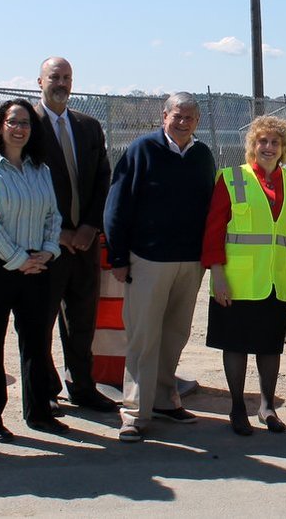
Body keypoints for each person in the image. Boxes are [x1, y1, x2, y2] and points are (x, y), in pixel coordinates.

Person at [105, 92, 216, 443]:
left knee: (175, 335)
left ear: (197, 122)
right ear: (163, 115)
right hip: (148, 260)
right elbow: (117, 205)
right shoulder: (141, 150)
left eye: (190, 118)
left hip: (190, 261)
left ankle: (166, 399)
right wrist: (119, 257)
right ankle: (136, 412)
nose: (183, 123)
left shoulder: (202, 155)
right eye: (177, 116)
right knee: (143, 338)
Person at [0, 98, 65, 441]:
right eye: (13, 122)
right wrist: (18, 258)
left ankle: (39, 412)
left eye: (26, 123)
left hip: (38, 266)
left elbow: (53, 216)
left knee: (37, 342)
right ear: (0, 126)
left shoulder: (41, 171)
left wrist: (48, 252)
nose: (20, 128)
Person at [202, 116, 286, 436]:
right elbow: (214, 230)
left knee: (270, 346)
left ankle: (267, 406)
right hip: (236, 280)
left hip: (277, 280)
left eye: (275, 142)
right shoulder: (232, 179)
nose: (269, 147)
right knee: (236, 345)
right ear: (252, 146)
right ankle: (237, 407)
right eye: (262, 141)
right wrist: (217, 273)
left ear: (284, 148)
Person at [34, 56, 117, 414]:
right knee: (39, 322)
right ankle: (44, 389)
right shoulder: (26, 126)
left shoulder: (88, 126)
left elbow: (103, 179)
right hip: (43, 245)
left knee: (82, 322)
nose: (62, 83)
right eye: (55, 77)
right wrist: (61, 232)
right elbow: (25, 188)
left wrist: (89, 226)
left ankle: (82, 387)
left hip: (83, 244)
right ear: (40, 81)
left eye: (67, 77)